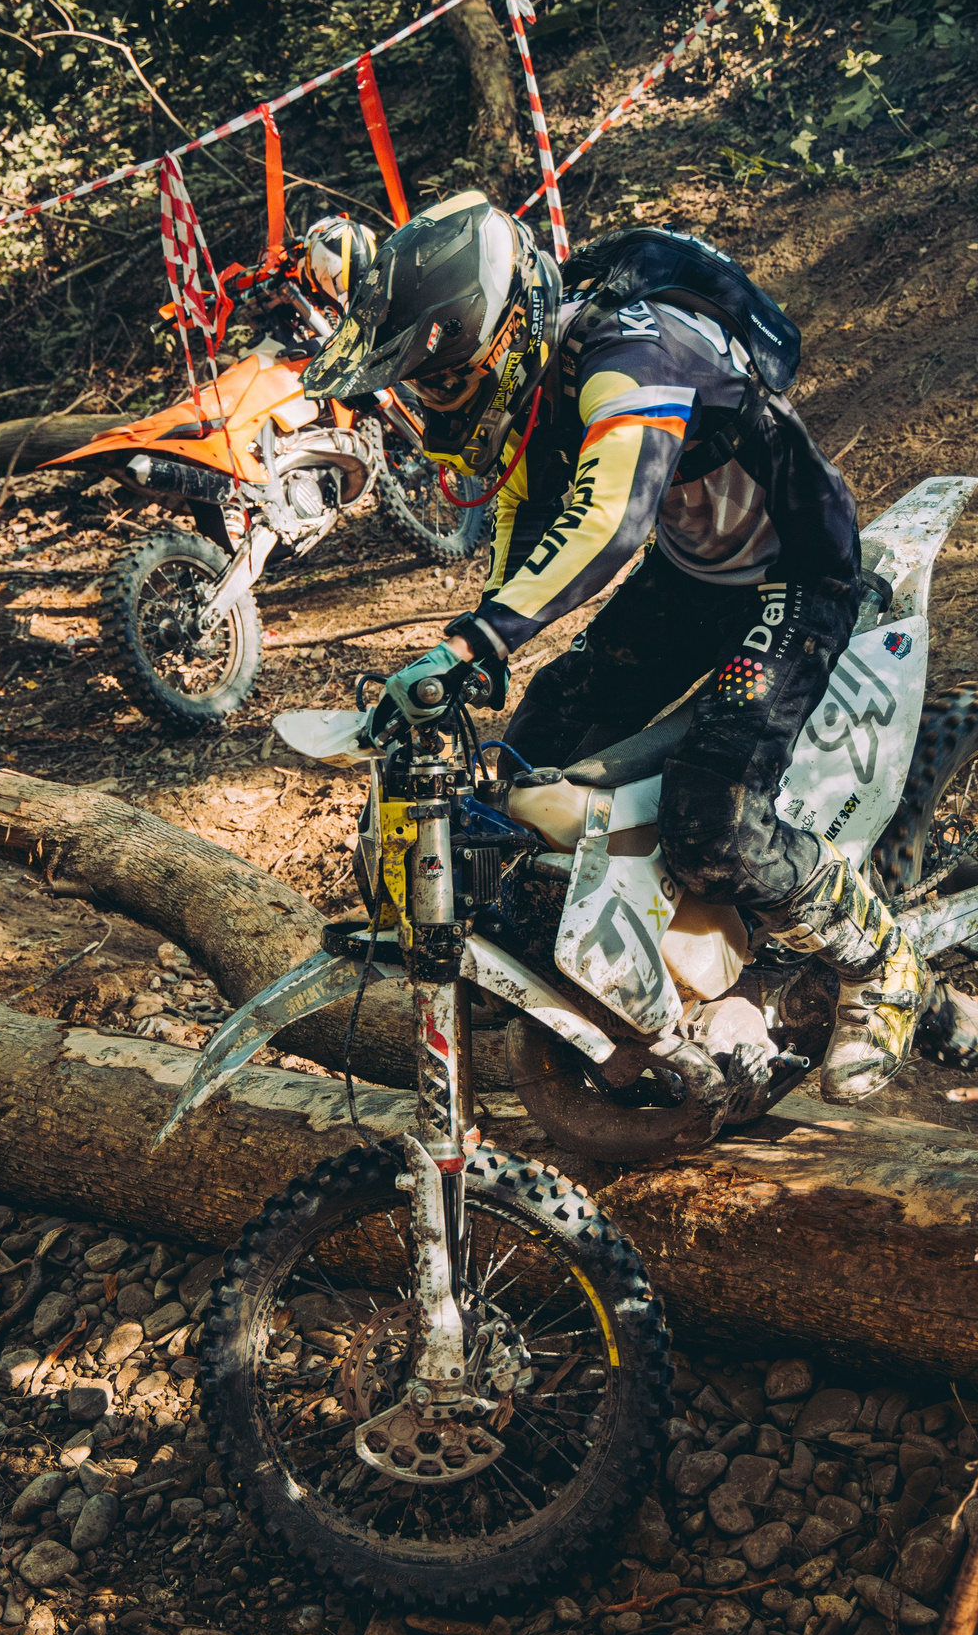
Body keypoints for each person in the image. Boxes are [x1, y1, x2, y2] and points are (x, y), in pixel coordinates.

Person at [299, 192, 927, 1104]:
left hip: (797, 574)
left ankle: (883, 961)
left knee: (714, 818)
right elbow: (523, 501)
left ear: (497, 335)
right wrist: (489, 641)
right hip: (692, 576)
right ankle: (601, 954)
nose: (430, 400)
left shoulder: (634, 356)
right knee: (537, 740)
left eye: (436, 379)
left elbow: (611, 519)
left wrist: (478, 636)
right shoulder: (538, 368)